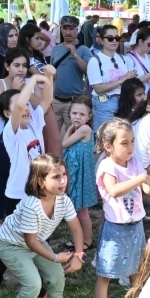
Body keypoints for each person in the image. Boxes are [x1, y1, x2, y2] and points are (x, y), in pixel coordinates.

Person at [0, 154, 84, 298]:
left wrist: (78, 255)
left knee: (57, 275)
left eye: (64, 175)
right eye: (56, 177)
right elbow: (30, 241)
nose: (63, 180)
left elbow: (76, 228)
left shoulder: (63, 200)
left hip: (36, 241)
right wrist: (54, 257)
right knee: (33, 284)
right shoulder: (31, 205)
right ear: (41, 181)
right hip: (12, 245)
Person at [92, 118, 150, 298]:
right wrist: (140, 177)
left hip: (135, 226)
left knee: (136, 270)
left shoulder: (134, 163)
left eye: (132, 142)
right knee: (105, 274)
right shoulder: (107, 166)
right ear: (109, 146)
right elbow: (114, 190)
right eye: (124, 143)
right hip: (115, 230)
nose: (130, 147)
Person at [1, 72, 55, 215]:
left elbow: (47, 100)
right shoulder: (11, 132)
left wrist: (49, 77)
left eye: (27, 104)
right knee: (19, 236)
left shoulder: (34, 123)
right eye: (21, 104)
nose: (25, 107)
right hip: (18, 194)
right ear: (7, 114)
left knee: (41, 233)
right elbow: (19, 107)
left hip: (39, 189)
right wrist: (33, 80)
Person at [0, 48, 28, 235]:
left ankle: (19, 217)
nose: (21, 70)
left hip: (24, 139)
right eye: (16, 65)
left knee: (22, 177)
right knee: (4, 178)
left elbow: (40, 106)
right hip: (3, 139)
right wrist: (16, 91)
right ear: (7, 66)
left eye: (24, 66)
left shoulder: (28, 84)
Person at [18, 24, 60, 157]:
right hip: (36, 102)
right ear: (26, 39)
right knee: (52, 139)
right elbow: (42, 78)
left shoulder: (37, 56)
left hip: (46, 100)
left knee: (51, 138)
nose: (40, 41)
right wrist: (50, 74)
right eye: (36, 38)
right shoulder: (24, 59)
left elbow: (49, 76)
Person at [62, 95, 97, 251]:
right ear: (69, 113)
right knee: (74, 210)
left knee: (82, 212)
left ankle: (87, 240)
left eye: (82, 114)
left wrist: (69, 128)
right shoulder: (78, 129)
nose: (77, 117)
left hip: (81, 178)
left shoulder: (84, 129)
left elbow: (64, 143)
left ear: (89, 117)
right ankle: (78, 237)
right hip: (76, 176)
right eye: (74, 113)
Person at [88, 25, 135, 129]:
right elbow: (98, 88)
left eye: (117, 38)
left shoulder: (123, 58)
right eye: (110, 38)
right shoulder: (95, 60)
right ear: (101, 40)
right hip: (103, 103)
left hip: (123, 102)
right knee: (105, 138)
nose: (114, 41)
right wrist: (122, 80)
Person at [50, 16, 92, 132]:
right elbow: (52, 72)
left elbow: (89, 71)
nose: (68, 32)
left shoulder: (84, 50)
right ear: (61, 29)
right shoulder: (56, 49)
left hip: (74, 102)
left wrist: (75, 54)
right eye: (65, 28)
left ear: (77, 30)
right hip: (56, 101)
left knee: (72, 136)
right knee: (52, 136)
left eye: (71, 29)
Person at [125, 26, 150, 96]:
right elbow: (130, 84)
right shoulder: (129, 58)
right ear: (140, 41)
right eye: (149, 44)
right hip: (137, 100)